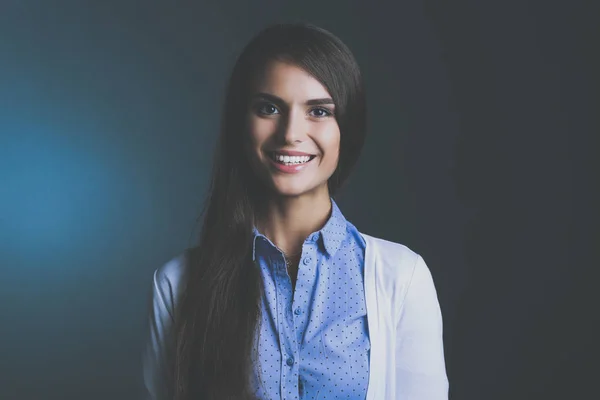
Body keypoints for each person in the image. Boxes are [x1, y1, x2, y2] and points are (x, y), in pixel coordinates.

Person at [142, 22, 448, 400]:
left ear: (346, 128)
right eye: (269, 108)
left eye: (319, 111)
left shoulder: (402, 279)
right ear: (241, 122)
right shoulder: (178, 285)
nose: (290, 133)